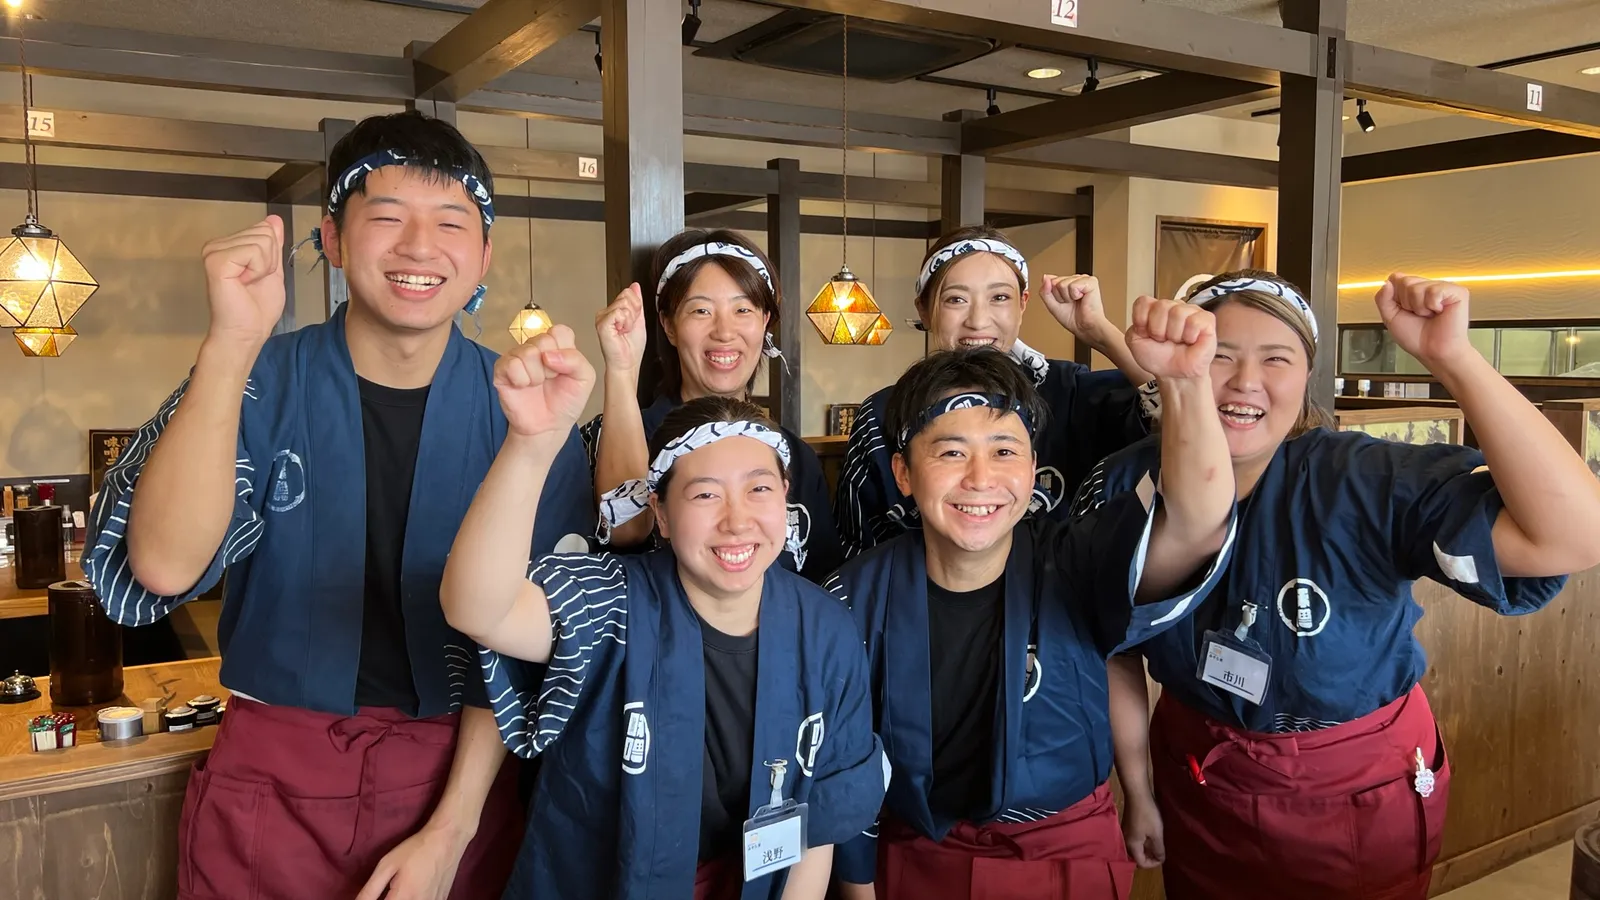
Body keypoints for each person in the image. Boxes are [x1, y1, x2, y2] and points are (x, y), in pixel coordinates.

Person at [83, 111, 595, 900]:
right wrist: (228, 343)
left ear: (484, 254)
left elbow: (534, 644)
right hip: (272, 781)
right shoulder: (260, 379)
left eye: (451, 223)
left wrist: (451, 830)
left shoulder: (528, 407)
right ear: (331, 239)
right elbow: (159, 566)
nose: (419, 248)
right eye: (386, 217)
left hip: (459, 782)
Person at [1072, 270, 1600, 900]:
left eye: (1277, 358)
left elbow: (1573, 536)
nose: (1245, 382)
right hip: (1199, 774)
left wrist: (1453, 359)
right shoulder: (1128, 480)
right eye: (1218, 356)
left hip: (1355, 789)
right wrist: (1138, 788)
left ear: (1306, 375)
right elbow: (1114, 648)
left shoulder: (1360, 478)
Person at [439, 326, 887, 900]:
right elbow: (477, 607)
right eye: (704, 494)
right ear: (663, 514)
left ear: (787, 497)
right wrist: (531, 444)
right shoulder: (609, 600)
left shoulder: (825, 625)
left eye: (759, 490)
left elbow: (818, 820)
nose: (737, 520)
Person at [827, 294, 1238, 900]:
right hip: (914, 860)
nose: (980, 479)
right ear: (904, 474)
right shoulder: (852, 596)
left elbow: (1195, 523)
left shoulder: (1074, 560)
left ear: (1032, 467)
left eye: (1004, 451)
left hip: (1062, 857)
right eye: (950, 452)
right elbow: (844, 764)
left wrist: (1187, 388)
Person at [832, 225, 1155, 562]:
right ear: (925, 310)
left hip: (1059, 605)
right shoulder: (885, 412)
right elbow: (854, 546)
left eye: (999, 297)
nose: (978, 320)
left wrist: (1102, 334)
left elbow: (1175, 422)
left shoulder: (1070, 391)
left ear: (1022, 303)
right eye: (956, 299)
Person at [583, 229, 840, 581]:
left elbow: (820, 583)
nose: (724, 331)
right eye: (701, 310)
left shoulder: (795, 456)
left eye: (742, 309)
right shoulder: (609, 435)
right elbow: (625, 528)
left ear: (765, 322)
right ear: (669, 325)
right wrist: (622, 368)